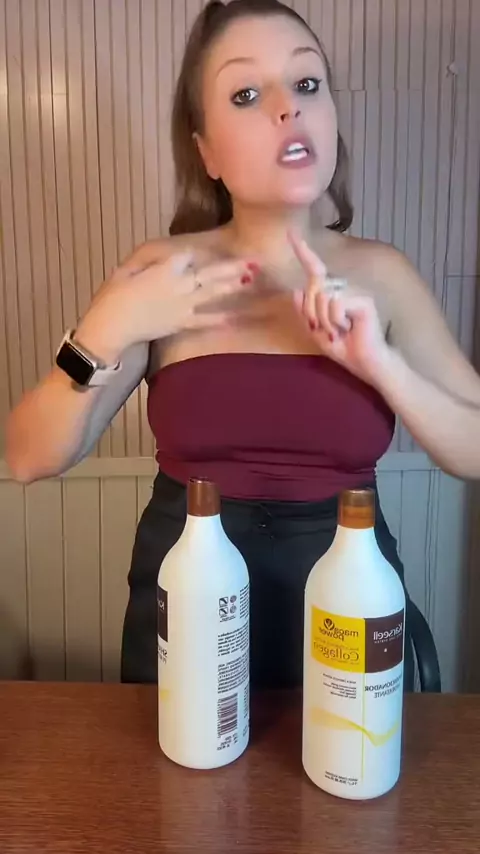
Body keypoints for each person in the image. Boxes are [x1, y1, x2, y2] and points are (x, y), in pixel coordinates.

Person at [6, 0, 480, 692]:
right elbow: (27, 458)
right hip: (186, 616)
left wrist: (383, 367)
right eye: (247, 94)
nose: (289, 108)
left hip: (346, 616)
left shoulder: (384, 275)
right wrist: (104, 328)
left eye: (307, 83)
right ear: (206, 150)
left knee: (349, 765)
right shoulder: (161, 272)